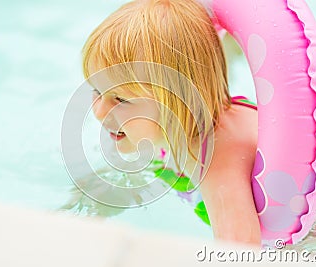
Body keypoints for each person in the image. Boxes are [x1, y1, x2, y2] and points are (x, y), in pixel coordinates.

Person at [81, 0, 261, 246]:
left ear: (178, 103)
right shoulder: (168, 124)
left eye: (121, 99)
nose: (100, 112)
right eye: (97, 91)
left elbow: (241, 252)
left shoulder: (218, 160)